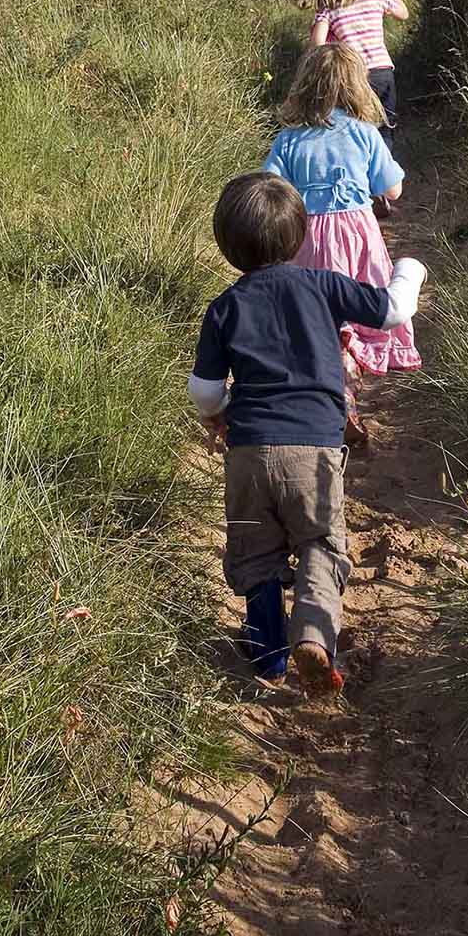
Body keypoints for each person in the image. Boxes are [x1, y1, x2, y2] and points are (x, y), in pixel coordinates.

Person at [189, 171, 426, 698]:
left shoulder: (225, 307)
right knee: (320, 543)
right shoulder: (322, 285)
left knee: (256, 553)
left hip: (247, 452)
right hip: (314, 452)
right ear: (299, 236)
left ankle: (269, 654)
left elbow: (204, 393)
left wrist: (224, 409)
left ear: (227, 246)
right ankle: (315, 636)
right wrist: (408, 268)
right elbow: (392, 311)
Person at [262, 43, 421, 445]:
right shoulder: (365, 134)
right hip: (356, 238)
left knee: (317, 321)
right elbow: (394, 189)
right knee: (357, 318)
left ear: (305, 87)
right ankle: (347, 393)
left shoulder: (289, 139)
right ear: (357, 88)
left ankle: (325, 396)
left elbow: (272, 190)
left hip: (304, 238)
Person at [303, 0, 409, 213]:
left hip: (351, 77)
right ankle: (382, 186)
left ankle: (360, 185)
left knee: (354, 130)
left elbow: (317, 46)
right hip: (383, 73)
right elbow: (403, 12)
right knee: (384, 129)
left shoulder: (329, 7)